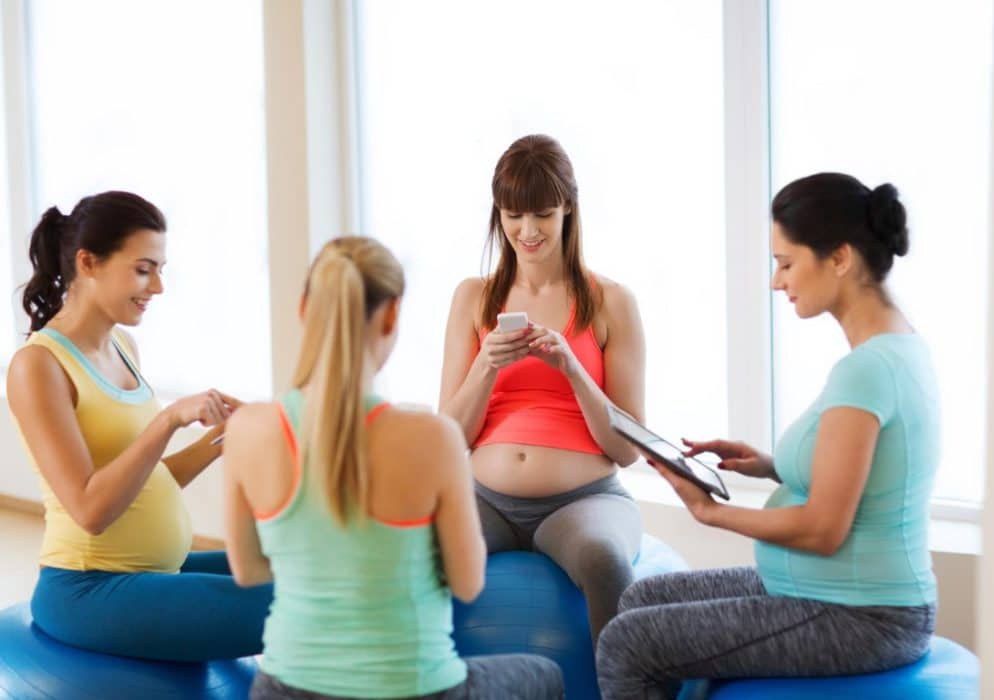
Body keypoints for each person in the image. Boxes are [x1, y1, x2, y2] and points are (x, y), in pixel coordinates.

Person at [596, 173, 939, 699]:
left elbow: (824, 527)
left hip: (863, 613)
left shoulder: (867, 370)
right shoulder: (896, 347)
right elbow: (865, 473)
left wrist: (711, 515)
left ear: (840, 258)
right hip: (827, 589)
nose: (777, 281)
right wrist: (768, 464)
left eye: (785, 262)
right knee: (643, 598)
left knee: (627, 643)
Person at [222, 236, 563, 699]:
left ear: (304, 310)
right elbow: (468, 583)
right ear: (390, 315)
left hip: (284, 687)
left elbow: (247, 570)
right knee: (542, 676)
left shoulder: (247, 428)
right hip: (413, 688)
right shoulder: (432, 437)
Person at [7, 191, 271, 661]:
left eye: (160, 270)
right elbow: (90, 509)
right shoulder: (38, 366)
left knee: (305, 564)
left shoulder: (122, 345)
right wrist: (169, 419)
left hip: (155, 570)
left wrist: (224, 437)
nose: (157, 287)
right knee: (302, 602)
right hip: (89, 590)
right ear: (88, 263)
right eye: (144, 268)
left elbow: (146, 477)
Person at [439, 134, 646, 645]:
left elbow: (626, 449)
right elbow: (449, 436)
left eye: (543, 215)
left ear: (568, 209)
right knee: (415, 555)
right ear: (499, 213)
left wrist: (572, 368)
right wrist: (486, 366)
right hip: (484, 498)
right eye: (514, 215)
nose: (527, 231)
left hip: (583, 502)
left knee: (603, 561)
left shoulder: (612, 302)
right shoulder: (473, 298)